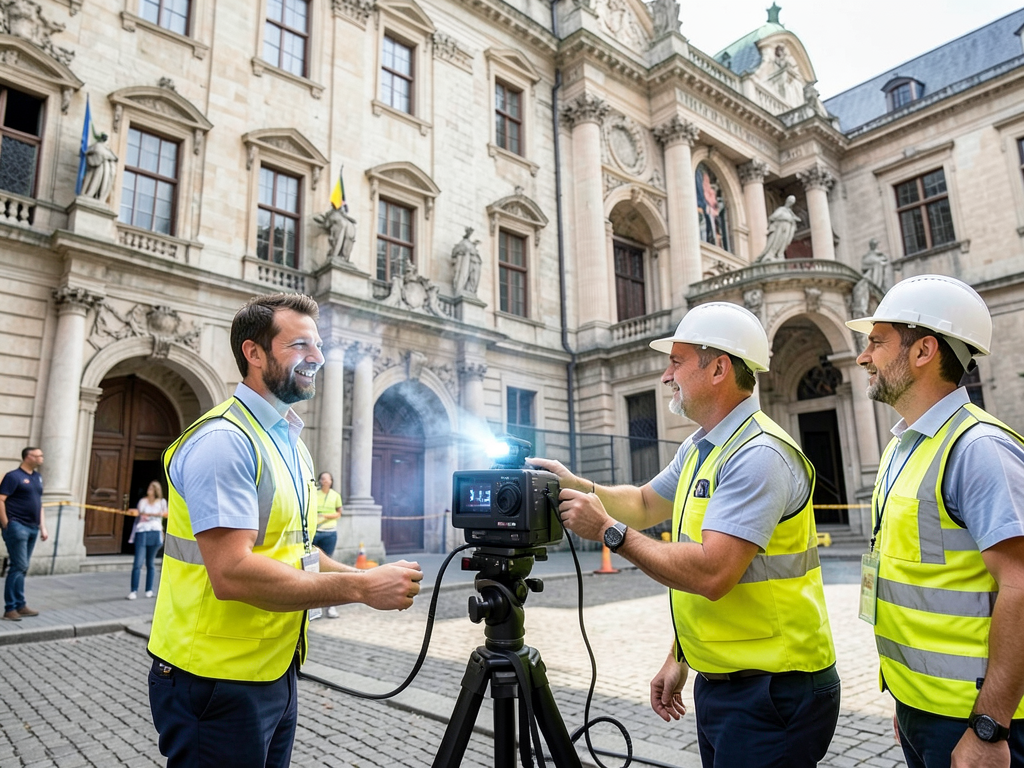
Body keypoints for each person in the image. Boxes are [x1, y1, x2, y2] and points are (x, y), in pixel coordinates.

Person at [530, 302, 839, 768]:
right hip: (728, 682)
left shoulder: (759, 454)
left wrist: (608, 532)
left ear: (718, 369)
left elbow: (713, 573)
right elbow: (643, 503)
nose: (665, 375)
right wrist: (577, 484)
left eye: (676, 362)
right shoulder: (701, 447)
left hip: (775, 690)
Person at [147, 293, 423, 768]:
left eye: (318, 345)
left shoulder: (291, 443)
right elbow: (232, 572)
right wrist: (360, 589)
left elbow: (299, 551)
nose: (317, 357)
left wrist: (369, 575)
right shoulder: (225, 440)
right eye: (300, 345)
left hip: (273, 668)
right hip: (213, 678)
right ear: (254, 353)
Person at [846, 274, 1024, 768]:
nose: (863, 357)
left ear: (924, 350)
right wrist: (909, 700)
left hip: (974, 719)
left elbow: (1022, 586)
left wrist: (989, 727)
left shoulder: (979, 448)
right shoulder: (904, 446)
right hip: (922, 708)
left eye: (877, 342)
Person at [0, 447, 47, 622]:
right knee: (18, 566)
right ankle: (10, 608)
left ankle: (20, 605)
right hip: (17, 526)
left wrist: (43, 527)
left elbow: (39, 503)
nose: (42, 458)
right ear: (28, 457)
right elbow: (1, 500)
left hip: (33, 527)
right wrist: (6, 524)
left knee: (22, 567)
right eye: (39, 455)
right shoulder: (13, 476)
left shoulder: (38, 477)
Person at [127, 480, 167, 600]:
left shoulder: (162, 502)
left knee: (150, 563)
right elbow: (139, 514)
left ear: (156, 491)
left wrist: (149, 514)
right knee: (138, 563)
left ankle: (149, 590)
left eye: (152, 488)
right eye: (149, 488)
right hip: (142, 531)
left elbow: (165, 514)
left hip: (155, 531)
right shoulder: (143, 501)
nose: (149, 490)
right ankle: (133, 590)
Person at [314, 471, 343, 618]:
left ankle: (331, 605)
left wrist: (324, 515)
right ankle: (315, 605)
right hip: (315, 532)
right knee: (313, 567)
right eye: (323, 478)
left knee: (328, 566)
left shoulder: (335, 495)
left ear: (331, 481)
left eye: (328, 479)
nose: (325, 481)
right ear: (319, 481)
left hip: (329, 533)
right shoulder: (314, 494)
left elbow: (339, 513)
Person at [755, 195, 801, 262]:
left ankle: (779, 255)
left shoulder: (790, 212)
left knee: (784, 242)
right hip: (779, 229)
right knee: (776, 241)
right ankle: (770, 254)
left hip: (787, 230)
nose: (791, 202)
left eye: (792, 201)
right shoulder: (781, 209)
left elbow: (797, 219)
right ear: (787, 200)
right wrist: (787, 218)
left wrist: (793, 220)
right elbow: (772, 217)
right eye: (790, 200)